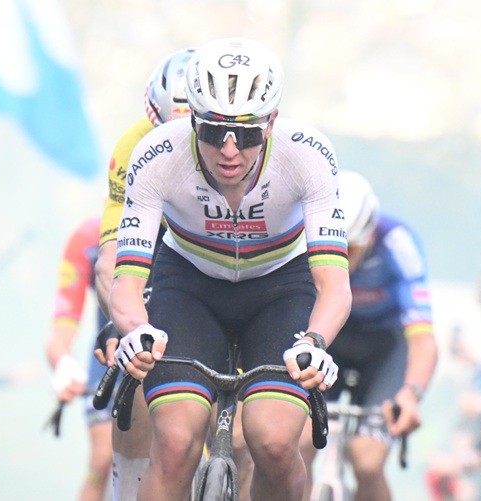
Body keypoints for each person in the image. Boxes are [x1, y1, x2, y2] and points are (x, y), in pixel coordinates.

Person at [105, 37, 350, 501]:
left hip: (280, 289)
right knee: (175, 443)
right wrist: (135, 329)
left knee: (274, 443)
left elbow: (334, 286)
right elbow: (127, 281)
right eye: (214, 132)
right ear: (192, 120)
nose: (230, 150)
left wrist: (315, 343)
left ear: (272, 122)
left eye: (248, 134)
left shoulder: (309, 154)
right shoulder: (157, 155)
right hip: (189, 286)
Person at [91, 46, 194, 499]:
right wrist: (123, 326)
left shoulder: (241, 149)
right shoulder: (133, 147)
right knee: (137, 374)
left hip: (219, 258)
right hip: (155, 254)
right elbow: (110, 259)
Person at [301, 170, 438, 501]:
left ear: (370, 235)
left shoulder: (398, 244)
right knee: (299, 444)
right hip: (332, 342)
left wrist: (411, 394)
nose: (342, 261)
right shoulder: (305, 236)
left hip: (384, 350)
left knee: (367, 461)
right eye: (334, 249)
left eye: (351, 249)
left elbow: (423, 339)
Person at [44, 216, 115, 501]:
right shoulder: (86, 239)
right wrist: (64, 365)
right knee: (102, 459)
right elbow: (60, 333)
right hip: (109, 358)